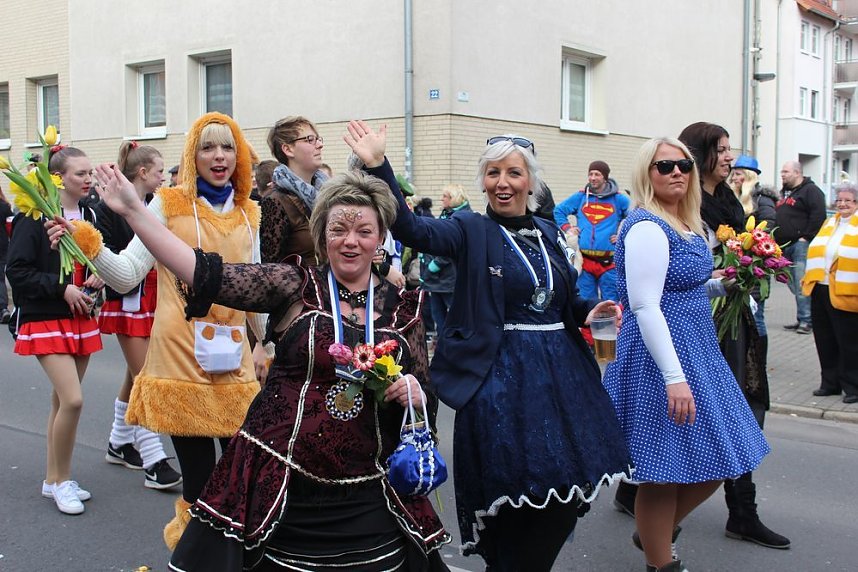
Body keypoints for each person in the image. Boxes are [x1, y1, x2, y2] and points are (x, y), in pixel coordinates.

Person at [73, 160, 450, 571]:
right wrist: (134, 213)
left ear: (380, 239)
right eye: (338, 230)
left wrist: (413, 393)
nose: (350, 242)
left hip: (368, 493)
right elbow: (205, 272)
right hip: (282, 482)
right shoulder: (294, 285)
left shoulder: (405, 312)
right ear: (322, 236)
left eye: (364, 231)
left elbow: (426, 409)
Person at [347, 121, 632, 570]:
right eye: (493, 172)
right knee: (516, 495)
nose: (503, 182)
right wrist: (379, 165)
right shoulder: (470, 229)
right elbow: (413, 230)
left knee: (559, 495)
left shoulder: (548, 231)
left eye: (514, 173)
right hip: (501, 381)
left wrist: (587, 313)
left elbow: (564, 297)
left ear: (531, 181)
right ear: (483, 180)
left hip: (564, 381)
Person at [53, 113, 269, 546]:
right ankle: (195, 556)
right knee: (200, 483)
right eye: (208, 147)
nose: (219, 156)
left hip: (236, 367)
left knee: (241, 476)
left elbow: (257, 288)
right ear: (193, 155)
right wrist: (87, 243)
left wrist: (265, 343)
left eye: (227, 147)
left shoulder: (250, 213)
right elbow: (127, 274)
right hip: (179, 362)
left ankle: (238, 553)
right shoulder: (166, 203)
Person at [603, 137, 770, 572]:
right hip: (662, 359)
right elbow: (644, 305)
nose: (677, 172)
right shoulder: (645, 226)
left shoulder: (685, 222)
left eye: (684, 165)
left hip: (697, 351)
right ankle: (661, 562)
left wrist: (724, 282)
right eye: (664, 166)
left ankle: (654, 535)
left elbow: (685, 285)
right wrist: (673, 377)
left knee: (723, 456)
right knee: (663, 472)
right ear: (647, 174)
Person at [679, 122, 789, 550]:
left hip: (740, 314)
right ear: (701, 153)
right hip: (706, 319)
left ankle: (740, 511)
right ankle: (739, 513)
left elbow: (741, 245)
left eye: (731, 150)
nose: (730, 158)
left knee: (744, 404)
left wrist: (756, 263)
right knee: (726, 412)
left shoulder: (726, 198)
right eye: (722, 150)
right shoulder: (687, 202)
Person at [7, 146, 104, 515]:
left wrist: (100, 274)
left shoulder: (91, 213)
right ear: (59, 177)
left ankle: (53, 479)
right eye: (81, 173)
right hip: (46, 315)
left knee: (60, 401)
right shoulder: (33, 216)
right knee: (73, 400)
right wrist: (61, 287)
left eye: (90, 172)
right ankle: (62, 481)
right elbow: (17, 271)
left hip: (81, 315)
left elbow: (99, 256)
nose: (89, 179)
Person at [95, 141, 182, 490]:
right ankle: (152, 458)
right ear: (143, 172)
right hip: (128, 299)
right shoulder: (111, 207)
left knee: (135, 376)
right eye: (160, 171)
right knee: (146, 376)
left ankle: (119, 442)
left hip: (153, 300)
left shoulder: (155, 206)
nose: (164, 176)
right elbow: (108, 252)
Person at [802, 184, 858, 404]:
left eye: (848, 201)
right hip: (821, 287)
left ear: (856, 203)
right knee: (824, 339)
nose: (842, 204)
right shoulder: (830, 222)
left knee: (849, 342)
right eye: (840, 200)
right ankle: (830, 383)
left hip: (847, 290)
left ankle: (852, 386)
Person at [553, 160, 630, 300]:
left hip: (609, 263)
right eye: (590, 174)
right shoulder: (581, 197)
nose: (593, 178)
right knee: (585, 302)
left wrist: (623, 236)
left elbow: (636, 218)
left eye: (597, 174)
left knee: (611, 303)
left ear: (605, 177)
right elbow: (558, 211)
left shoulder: (619, 199)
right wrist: (568, 228)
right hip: (584, 261)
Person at [261, 116, 328, 265]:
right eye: (310, 139)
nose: (320, 145)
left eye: (318, 139)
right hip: (303, 287)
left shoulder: (329, 195)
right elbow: (271, 268)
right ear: (288, 149)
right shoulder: (276, 201)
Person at [776, 160, 827, 334]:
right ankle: (802, 318)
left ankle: (807, 321)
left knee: (801, 283)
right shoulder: (787, 193)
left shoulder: (811, 191)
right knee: (791, 283)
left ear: (797, 172)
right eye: (782, 172)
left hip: (801, 245)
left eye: (786, 171)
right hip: (786, 245)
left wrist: (806, 237)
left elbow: (819, 215)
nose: (782, 174)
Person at [421, 184, 472, 335]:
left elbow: (450, 248)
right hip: (436, 280)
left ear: (453, 198)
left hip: (450, 278)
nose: (441, 199)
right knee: (438, 317)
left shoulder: (462, 218)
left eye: (445, 196)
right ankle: (444, 345)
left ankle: (457, 346)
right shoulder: (446, 215)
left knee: (455, 316)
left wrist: (433, 266)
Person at [0, 184, 12, 323]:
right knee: (0, 278)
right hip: (2, 245)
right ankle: (3, 308)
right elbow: (11, 226)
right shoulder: (4, 206)